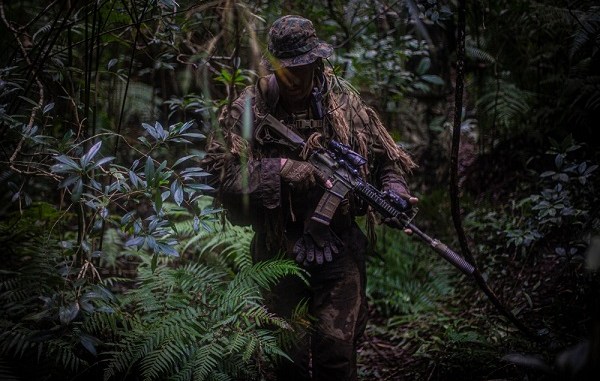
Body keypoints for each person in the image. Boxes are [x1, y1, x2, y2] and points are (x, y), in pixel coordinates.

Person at [202, 14, 417, 381]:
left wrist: (394, 191)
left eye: (303, 67)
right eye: (287, 69)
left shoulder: (344, 104)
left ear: (317, 61)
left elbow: (384, 161)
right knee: (288, 362)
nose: (296, 78)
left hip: (340, 250)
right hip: (278, 249)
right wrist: (280, 169)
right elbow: (218, 173)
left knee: (337, 357)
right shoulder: (249, 109)